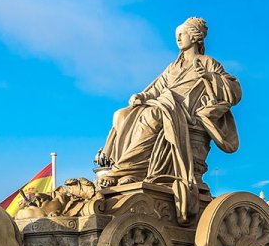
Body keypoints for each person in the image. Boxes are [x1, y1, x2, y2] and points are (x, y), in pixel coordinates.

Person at [96, 17, 242, 222]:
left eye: (181, 34)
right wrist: (142, 96)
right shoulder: (172, 67)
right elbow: (156, 89)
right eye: (176, 36)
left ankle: (125, 170)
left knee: (153, 115)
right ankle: (130, 171)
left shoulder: (209, 63)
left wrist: (210, 77)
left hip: (185, 114)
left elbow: (234, 92)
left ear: (194, 36)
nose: (178, 39)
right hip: (167, 106)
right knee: (122, 114)